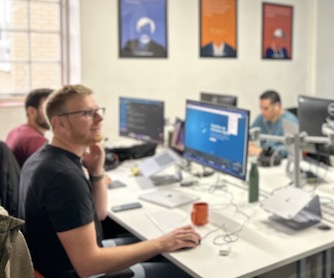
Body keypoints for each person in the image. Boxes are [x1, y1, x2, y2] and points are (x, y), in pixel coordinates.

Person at [19, 84, 200, 277]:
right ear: (60, 123)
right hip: (77, 270)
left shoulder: (44, 158)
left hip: (65, 260)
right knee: (182, 270)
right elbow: (89, 264)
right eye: (87, 113)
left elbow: (99, 213)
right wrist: (161, 243)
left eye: (98, 111)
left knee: (160, 250)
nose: (100, 118)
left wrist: (96, 171)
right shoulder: (63, 177)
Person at [6, 88, 53, 167]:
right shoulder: (35, 140)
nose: (54, 114)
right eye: (48, 109)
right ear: (31, 111)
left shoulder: (15, 131)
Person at [249, 90, 298, 158]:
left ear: (277, 106)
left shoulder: (290, 121)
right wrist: (249, 144)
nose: (262, 112)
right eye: (261, 108)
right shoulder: (262, 118)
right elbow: (250, 135)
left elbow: (289, 150)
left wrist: (263, 151)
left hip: (280, 162)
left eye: (266, 108)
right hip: (264, 159)